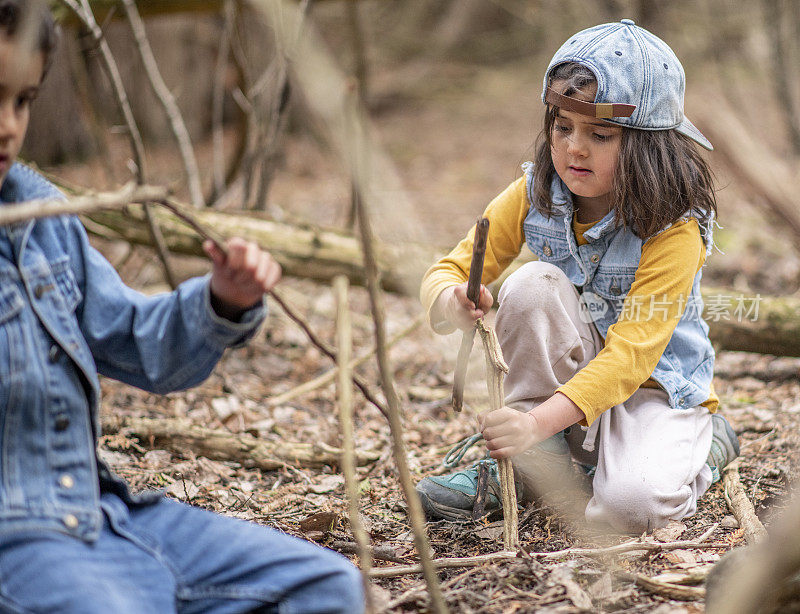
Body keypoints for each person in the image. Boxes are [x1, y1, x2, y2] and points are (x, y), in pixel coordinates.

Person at [0, 2, 364, 612]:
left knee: (325, 587)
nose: (9, 125)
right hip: (18, 545)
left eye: (22, 100)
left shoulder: (41, 218)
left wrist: (223, 299)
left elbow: (138, 340)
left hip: (104, 516)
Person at [416, 19, 740, 534]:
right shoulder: (535, 192)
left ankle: (706, 444)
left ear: (648, 144)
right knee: (532, 283)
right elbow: (448, 269)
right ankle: (531, 465)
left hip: (654, 391)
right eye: (562, 127)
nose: (573, 149)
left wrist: (531, 422)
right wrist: (452, 300)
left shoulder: (674, 229)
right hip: (565, 395)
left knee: (631, 510)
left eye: (600, 134)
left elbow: (631, 358)